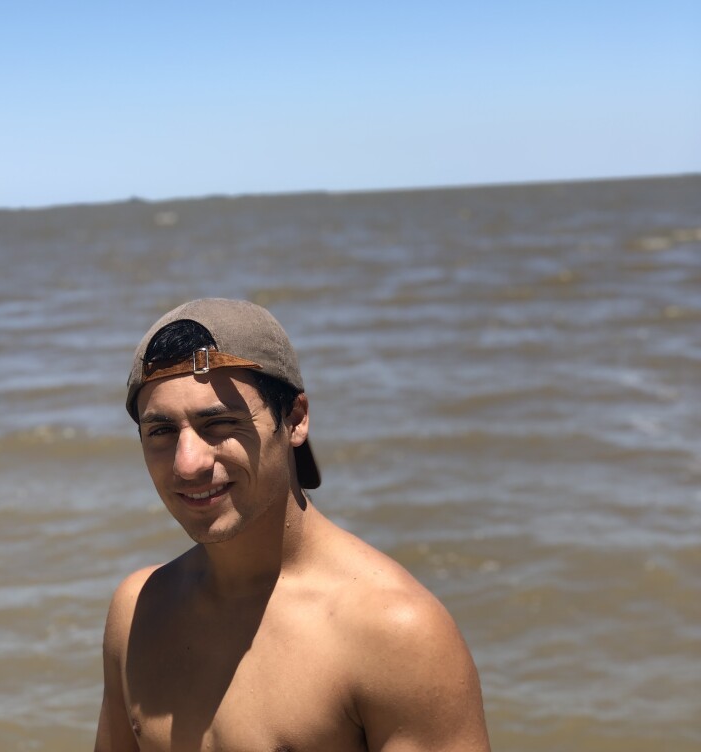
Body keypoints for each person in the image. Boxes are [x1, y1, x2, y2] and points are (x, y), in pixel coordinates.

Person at [94, 298, 490, 752]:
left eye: (220, 423)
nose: (188, 464)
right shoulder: (138, 612)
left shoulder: (394, 632)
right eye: (161, 432)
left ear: (296, 419)